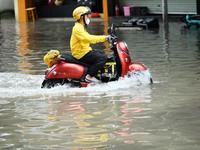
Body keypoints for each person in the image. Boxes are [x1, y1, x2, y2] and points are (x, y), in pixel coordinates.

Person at [70, 6, 112, 82]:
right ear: (81, 16)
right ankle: (89, 76)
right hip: (81, 53)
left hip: (84, 51)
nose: (89, 17)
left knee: (103, 55)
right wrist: (104, 38)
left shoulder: (80, 27)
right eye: (87, 15)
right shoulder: (77, 28)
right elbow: (88, 39)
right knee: (102, 58)